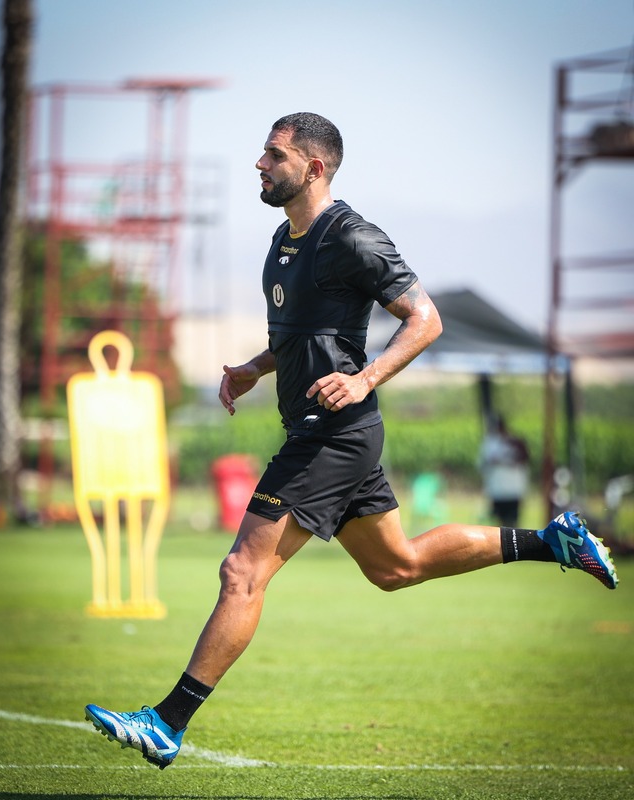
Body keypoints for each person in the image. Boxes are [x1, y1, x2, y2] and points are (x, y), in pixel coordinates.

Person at [84, 112, 619, 770]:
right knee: (396, 568)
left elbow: (425, 320)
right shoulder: (283, 241)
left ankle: (167, 722)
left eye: (273, 155)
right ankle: (553, 540)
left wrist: (366, 379)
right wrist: (256, 366)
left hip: (330, 436)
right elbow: (308, 336)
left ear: (313, 167)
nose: (259, 163)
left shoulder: (354, 237)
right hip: (334, 435)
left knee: (241, 573)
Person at [479, 413, 530, 528]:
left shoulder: (515, 442)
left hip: (513, 489)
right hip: (497, 489)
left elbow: (524, 459)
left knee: (512, 522)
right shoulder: (489, 443)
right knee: (500, 522)